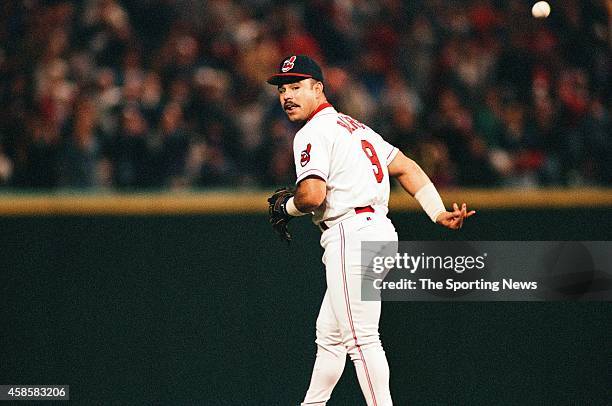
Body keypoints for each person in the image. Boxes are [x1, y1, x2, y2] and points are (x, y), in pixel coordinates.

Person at [266, 55, 474, 406]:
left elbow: (313, 195)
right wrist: (436, 210)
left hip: (350, 233)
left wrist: (287, 207)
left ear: (319, 89)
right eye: (283, 89)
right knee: (330, 337)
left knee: (361, 339)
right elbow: (407, 168)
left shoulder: (312, 132)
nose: (287, 95)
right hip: (377, 231)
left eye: (297, 87)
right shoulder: (357, 127)